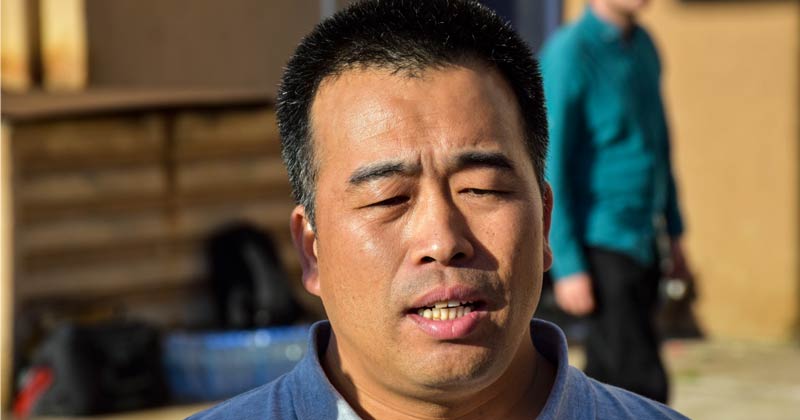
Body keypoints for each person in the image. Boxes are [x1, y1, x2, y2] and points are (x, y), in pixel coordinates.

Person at [189, 1, 688, 418]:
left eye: (482, 189)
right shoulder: (574, 55)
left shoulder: (644, 50)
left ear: (543, 222)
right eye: (388, 198)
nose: (443, 240)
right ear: (312, 249)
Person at [539, 0, 694, 404]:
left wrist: (675, 234)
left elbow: (659, 147)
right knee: (639, 382)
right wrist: (568, 264)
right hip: (601, 241)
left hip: (643, 239)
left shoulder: (643, 45)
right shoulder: (570, 53)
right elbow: (551, 161)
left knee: (614, 381)